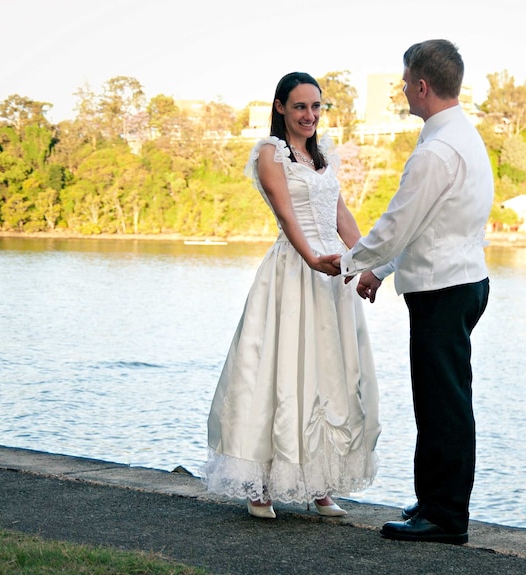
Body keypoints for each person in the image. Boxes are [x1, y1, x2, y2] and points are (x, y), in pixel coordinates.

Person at [328, 39, 493, 544]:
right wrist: (382, 271)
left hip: (444, 290)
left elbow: (399, 223)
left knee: (442, 405)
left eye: (404, 81)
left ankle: (443, 517)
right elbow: (427, 224)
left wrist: (351, 263)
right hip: (462, 280)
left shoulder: (436, 151)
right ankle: (436, 500)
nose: (401, 88)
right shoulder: (463, 136)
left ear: (422, 86)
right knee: (443, 399)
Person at [200, 72, 381, 520]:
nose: (310, 115)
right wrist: (312, 259)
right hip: (295, 272)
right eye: (300, 106)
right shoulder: (269, 153)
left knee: (328, 375)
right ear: (280, 107)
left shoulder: (322, 157)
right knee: (280, 372)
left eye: (316, 107)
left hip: (333, 276)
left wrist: (365, 264)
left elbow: (342, 215)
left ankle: (318, 483)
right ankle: (260, 485)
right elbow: (287, 217)